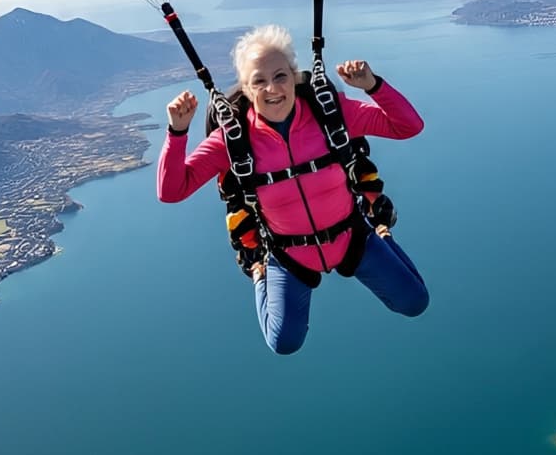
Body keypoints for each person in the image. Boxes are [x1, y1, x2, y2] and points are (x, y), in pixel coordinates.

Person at [157, 24, 429, 354]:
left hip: (351, 236)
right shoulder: (233, 140)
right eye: (259, 80)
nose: (272, 88)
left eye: (280, 76)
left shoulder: (330, 114)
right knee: (283, 342)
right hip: (289, 254)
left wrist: (372, 86)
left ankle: (381, 232)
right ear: (246, 88)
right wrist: (177, 132)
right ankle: (260, 273)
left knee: (415, 302)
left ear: (294, 76)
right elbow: (171, 191)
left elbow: (408, 126)